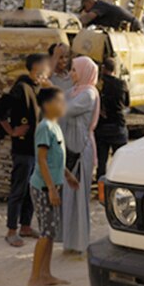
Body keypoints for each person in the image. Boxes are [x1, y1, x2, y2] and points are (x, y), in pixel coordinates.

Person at [0, 53, 50, 247]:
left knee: (31, 190)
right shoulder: (21, 88)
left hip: (37, 149)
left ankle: (25, 225)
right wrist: (11, 131)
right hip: (23, 149)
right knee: (18, 189)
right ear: (33, 70)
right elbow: (0, 110)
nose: (44, 75)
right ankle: (11, 230)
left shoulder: (40, 89)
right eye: (41, 71)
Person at [28, 87, 78, 286]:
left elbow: (56, 158)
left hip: (53, 185)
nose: (63, 105)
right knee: (46, 233)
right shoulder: (44, 127)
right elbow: (41, 159)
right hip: (42, 187)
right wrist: (50, 188)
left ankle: (46, 274)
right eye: (59, 101)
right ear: (48, 105)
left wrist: (67, 175)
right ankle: (34, 279)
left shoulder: (55, 127)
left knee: (50, 232)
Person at [60, 56, 100, 255]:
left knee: (79, 196)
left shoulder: (88, 95)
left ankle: (81, 243)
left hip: (81, 148)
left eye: (75, 70)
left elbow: (65, 109)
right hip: (70, 148)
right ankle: (69, 241)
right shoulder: (74, 91)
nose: (71, 74)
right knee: (69, 197)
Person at [95, 57, 129, 180]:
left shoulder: (98, 85)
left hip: (102, 126)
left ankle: (101, 187)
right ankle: (119, 183)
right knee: (120, 161)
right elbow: (127, 102)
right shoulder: (121, 84)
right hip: (118, 124)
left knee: (102, 162)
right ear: (114, 69)